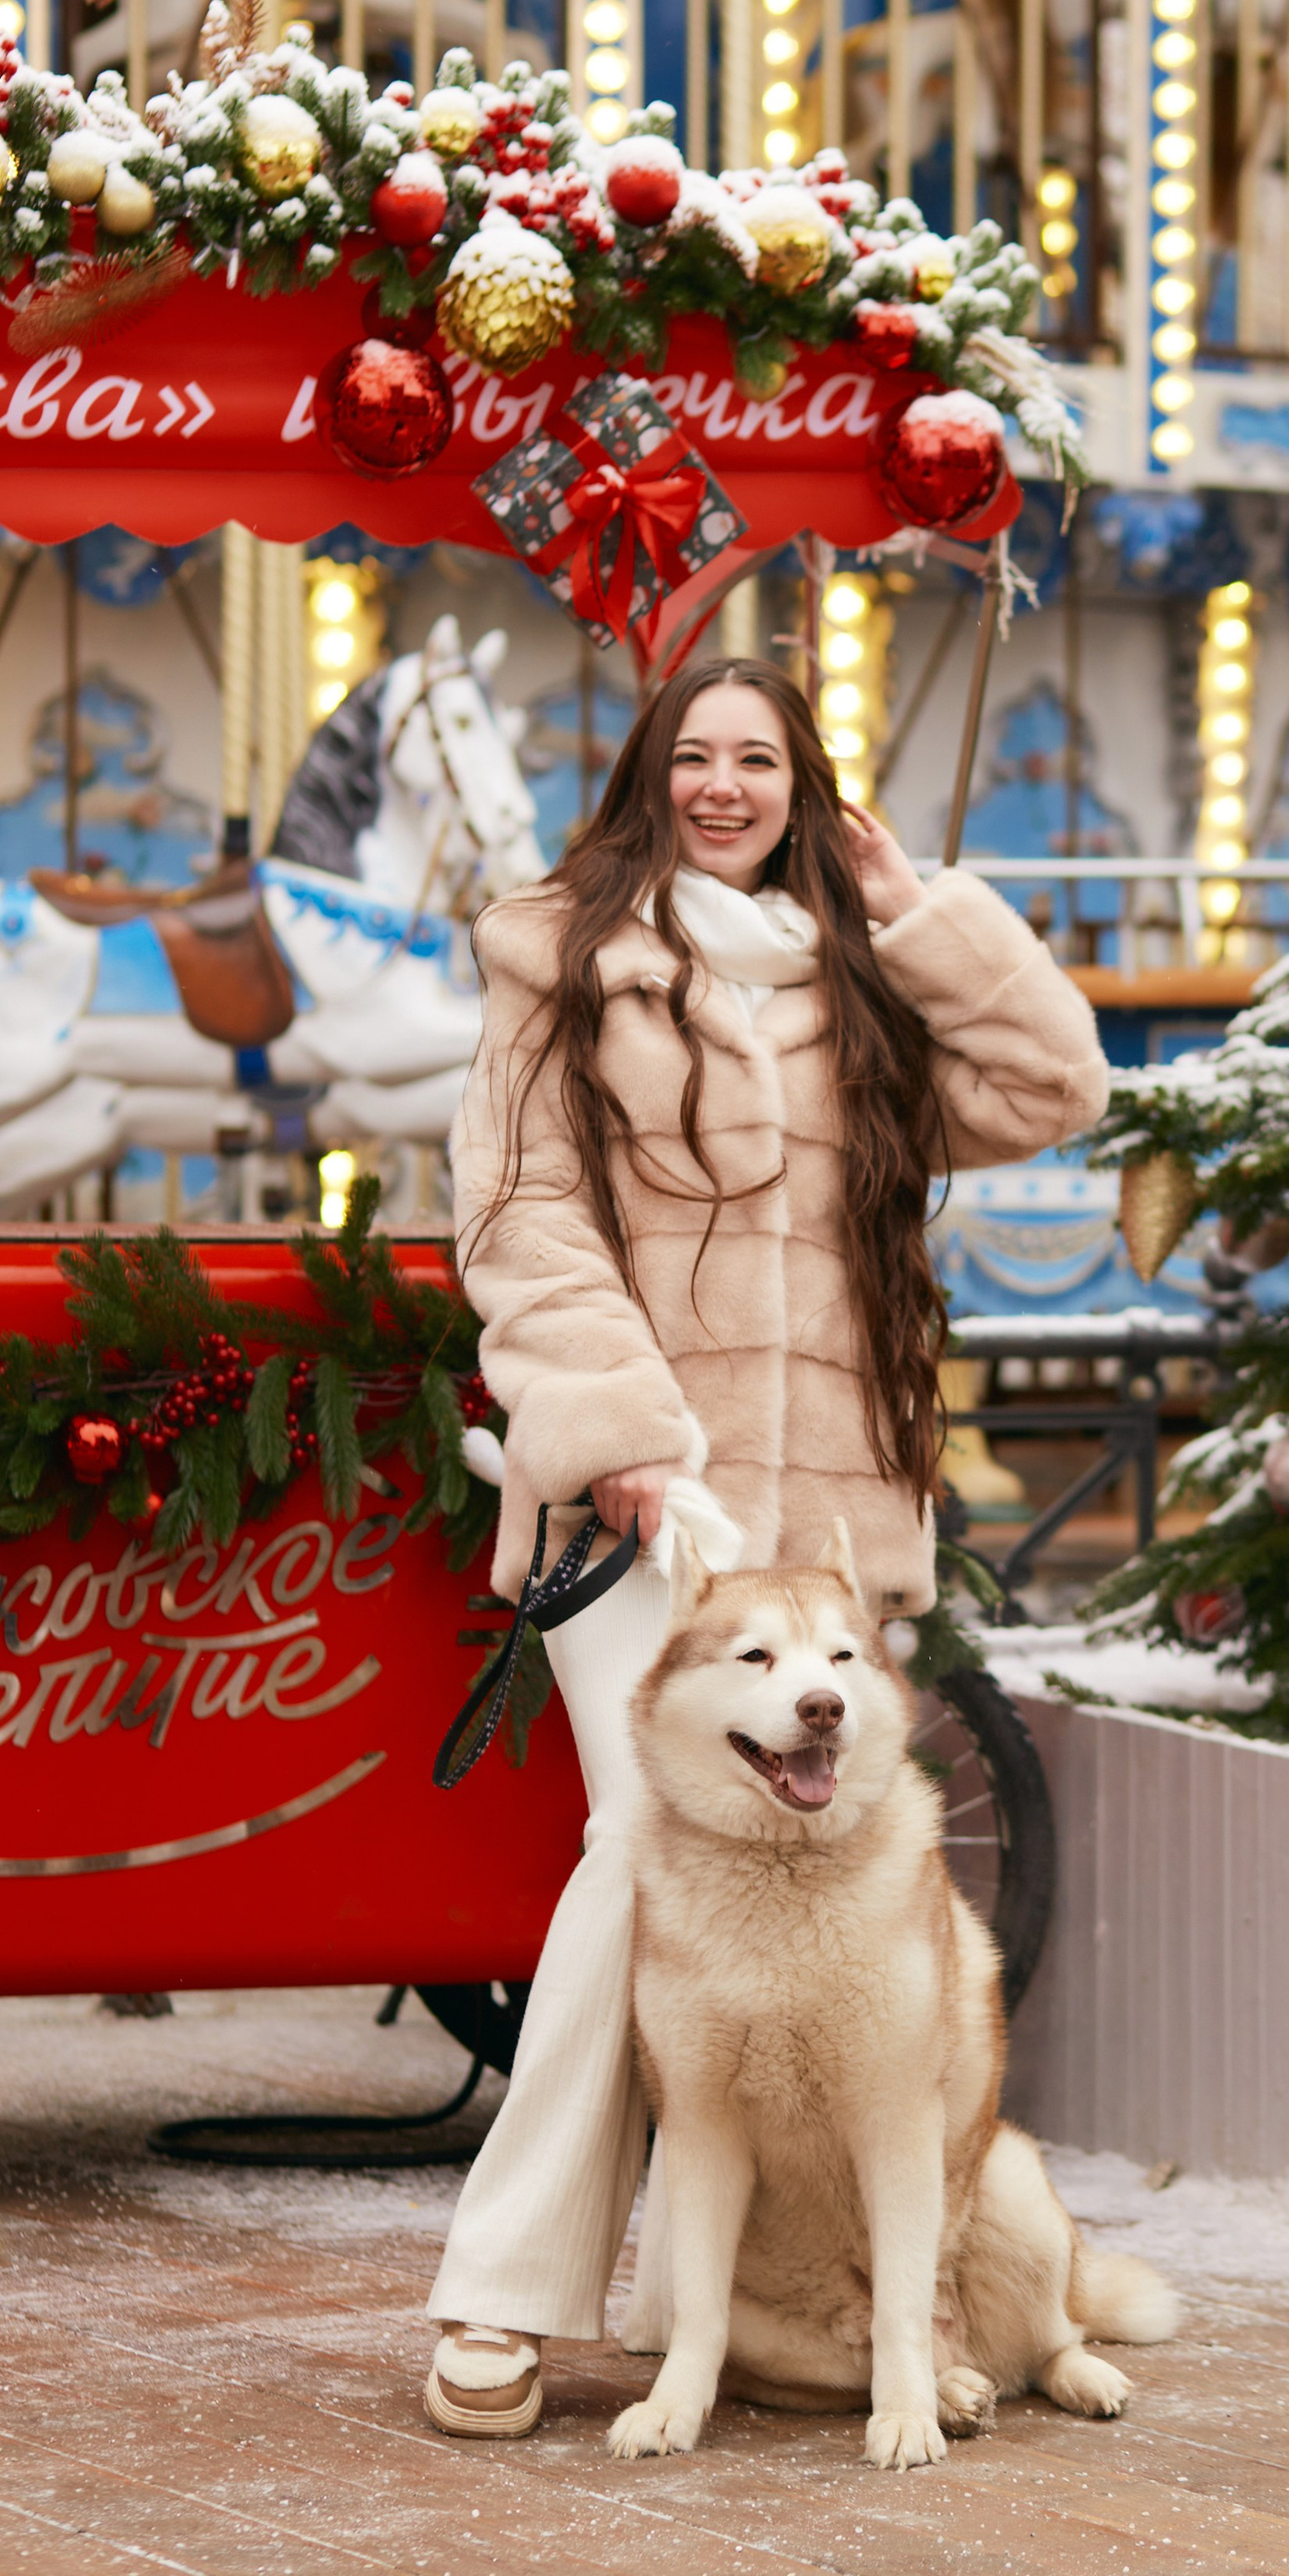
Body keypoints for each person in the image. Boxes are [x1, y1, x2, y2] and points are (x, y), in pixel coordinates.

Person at [424, 652, 1109, 2436]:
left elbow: (1055, 1085)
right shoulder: (560, 958)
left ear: (804, 793)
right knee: (635, 1857)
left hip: (824, 1544)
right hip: (652, 1504)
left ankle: (728, 2299)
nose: (725, 785)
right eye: (696, 756)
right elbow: (519, 1213)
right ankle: (501, 2296)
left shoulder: (855, 989)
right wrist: (632, 1438)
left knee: (810, 1898)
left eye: (760, 761)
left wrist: (916, 910)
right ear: (649, 775)